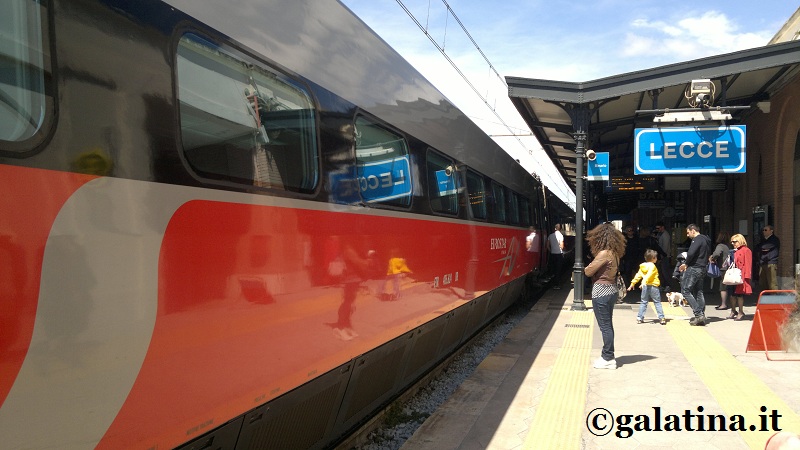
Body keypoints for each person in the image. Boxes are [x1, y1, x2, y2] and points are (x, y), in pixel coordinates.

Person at [584, 222, 626, 370]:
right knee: (608, 325)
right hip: (611, 290)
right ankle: (608, 355)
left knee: (605, 327)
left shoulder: (604, 254)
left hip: (601, 291)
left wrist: (589, 265)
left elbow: (588, 271)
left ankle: (608, 358)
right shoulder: (615, 253)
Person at [678, 224, 712, 326]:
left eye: (688, 232)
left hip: (694, 267)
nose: (687, 235)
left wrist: (686, 263)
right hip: (702, 268)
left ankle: (698, 314)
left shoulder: (697, 239)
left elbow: (691, 253)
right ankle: (701, 316)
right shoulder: (706, 239)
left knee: (685, 290)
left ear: (693, 230)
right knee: (699, 291)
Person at [628, 249, 666, 325]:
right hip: (653, 286)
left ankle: (639, 318)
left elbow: (638, 275)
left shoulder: (643, 266)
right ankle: (661, 318)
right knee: (657, 302)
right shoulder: (653, 266)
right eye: (656, 257)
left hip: (645, 286)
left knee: (644, 302)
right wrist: (644, 282)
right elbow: (649, 275)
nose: (657, 259)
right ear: (653, 258)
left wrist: (632, 284)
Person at [727, 233, 752, 321]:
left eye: (735, 241)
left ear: (740, 241)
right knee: (732, 294)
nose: (733, 243)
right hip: (734, 274)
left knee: (739, 294)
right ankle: (733, 310)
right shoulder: (735, 251)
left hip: (741, 274)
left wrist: (746, 277)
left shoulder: (746, 250)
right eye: (732, 242)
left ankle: (741, 311)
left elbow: (748, 264)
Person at [709, 231, 730, 310]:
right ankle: (724, 303)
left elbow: (716, 254)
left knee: (723, 287)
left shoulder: (720, 246)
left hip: (722, 268)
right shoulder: (727, 246)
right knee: (725, 286)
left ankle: (723, 304)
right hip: (727, 268)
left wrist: (712, 258)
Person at [758, 225, 780, 291]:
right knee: (762, 283)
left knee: (772, 283)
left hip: (771, 263)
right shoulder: (763, 240)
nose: (764, 231)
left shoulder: (774, 239)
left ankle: (774, 299)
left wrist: (762, 248)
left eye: (765, 230)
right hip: (762, 263)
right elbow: (758, 248)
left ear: (771, 231)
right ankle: (765, 299)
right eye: (763, 230)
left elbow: (764, 247)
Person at [655, 222, 672, 291]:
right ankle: (664, 285)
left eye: (658, 228)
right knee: (662, 272)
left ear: (662, 227)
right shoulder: (660, 234)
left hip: (665, 256)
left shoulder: (665, 235)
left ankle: (668, 285)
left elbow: (665, 247)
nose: (657, 229)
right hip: (661, 255)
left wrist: (662, 257)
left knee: (665, 271)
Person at [547, 224, 565, 289]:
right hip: (559, 254)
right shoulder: (561, 236)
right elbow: (562, 246)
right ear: (560, 229)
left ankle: (552, 284)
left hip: (552, 254)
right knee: (558, 270)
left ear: (555, 228)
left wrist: (551, 250)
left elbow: (547, 246)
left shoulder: (550, 235)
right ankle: (557, 285)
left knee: (553, 269)